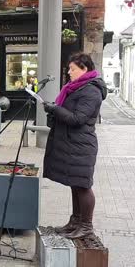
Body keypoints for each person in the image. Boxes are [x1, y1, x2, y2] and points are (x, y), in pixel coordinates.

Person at [42, 53, 107, 239]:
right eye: (69, 68)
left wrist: (56, 109)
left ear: (84, 69)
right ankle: (76, 221)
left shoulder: (92, 91)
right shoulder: (75, 88)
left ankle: (86, 226)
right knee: (75, 184)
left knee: (83, 186)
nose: (69, 72)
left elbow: (78, 119)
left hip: (81, 146)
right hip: (72, 144)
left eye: (73, 69)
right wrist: (54, 109)